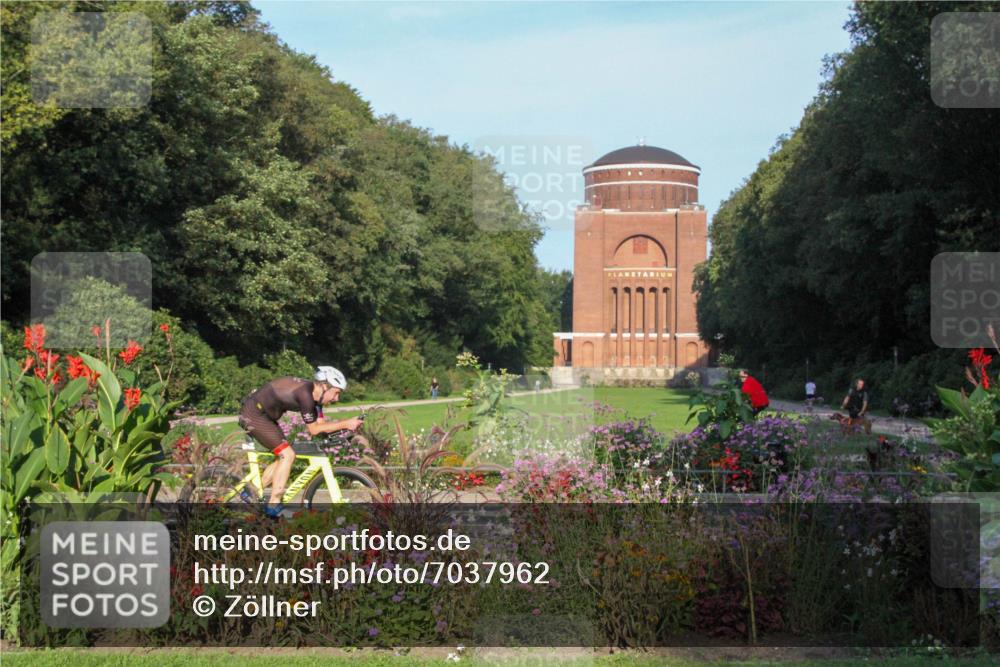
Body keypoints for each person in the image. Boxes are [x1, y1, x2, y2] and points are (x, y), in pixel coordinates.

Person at [238, 366, 363, 518]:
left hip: (266, 416)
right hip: (254, 414)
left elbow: (321, 427)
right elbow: (314, 429)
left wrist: (344, 431)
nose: (337, 399)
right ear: (325, 386)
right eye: (336, 393)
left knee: (283, 455)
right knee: (287, 455)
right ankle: (274, 504)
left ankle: (251, 491)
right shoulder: (305, 395)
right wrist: (345, 423)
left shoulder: (317, 399)